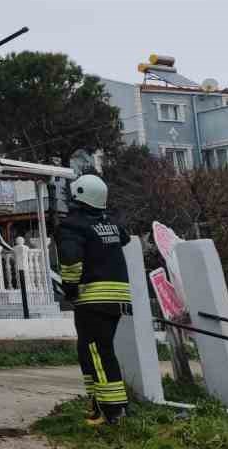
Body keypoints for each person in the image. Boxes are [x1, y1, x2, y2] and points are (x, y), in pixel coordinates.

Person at [58, 174, 132, 426]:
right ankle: (97, 405)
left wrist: (69, 289)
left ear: (78, 195)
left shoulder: (72, 226)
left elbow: (70, 260)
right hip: (117, 298)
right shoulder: (109, 224)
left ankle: (114, 411)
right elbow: (124, 237)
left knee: (97, 352)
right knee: (87, 350)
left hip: (93, 297)